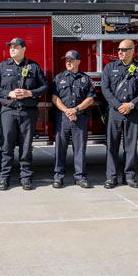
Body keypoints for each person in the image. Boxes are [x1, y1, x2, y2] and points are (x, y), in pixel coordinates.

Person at [0, 37, 48, 190]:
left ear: (24, 49)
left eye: (16, 47)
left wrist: (29, 92)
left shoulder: (33, 67)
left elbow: (44, 87)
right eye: (11, 47)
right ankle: (4, 178)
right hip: (8, 111)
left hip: (27, 112)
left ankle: (26, 178)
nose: (12, 49)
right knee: (6, 147)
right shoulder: (2, 66)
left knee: (26, 147)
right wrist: (8, 93)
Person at [100, 39, 138, 189]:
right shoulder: (110, 67)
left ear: (132, 51)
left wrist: (131, 104)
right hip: (114, 112)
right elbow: (105, 88)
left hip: (132, 111)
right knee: (112, 146)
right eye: (119, 50)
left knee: (131, 146)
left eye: (124, 50)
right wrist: (117, 105)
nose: (120, 52)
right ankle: (111, 177)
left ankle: (129, 177)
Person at [51, 50, 95, 188]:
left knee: (80, 149)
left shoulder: (86, 79)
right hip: (63, 118)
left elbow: (90, 98)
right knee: (60, 149)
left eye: (71, 60)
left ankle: (80, 177)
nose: (68, 62)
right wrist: (67, 111)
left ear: (78, 62)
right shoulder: (59, 78)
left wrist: (76, 109)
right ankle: (58, 177)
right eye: (66, 60)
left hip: (80, 117)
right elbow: (54, 98)